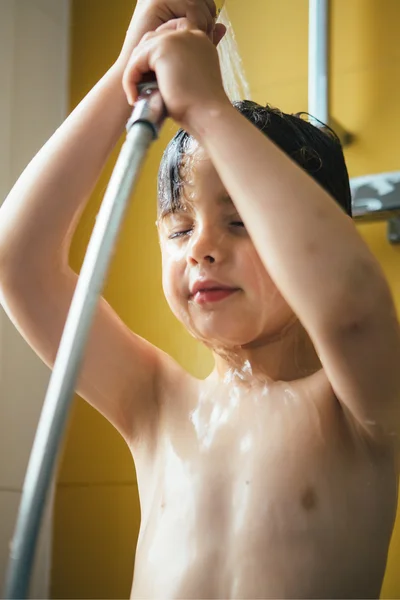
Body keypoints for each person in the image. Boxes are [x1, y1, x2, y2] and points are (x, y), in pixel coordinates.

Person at [0, 1, 399, 597]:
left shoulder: (358, 410)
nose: (201, 249)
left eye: (239, 221)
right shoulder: (156, 404)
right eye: (180, 229)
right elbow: (19, 261)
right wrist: (124, 75)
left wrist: (210, 111)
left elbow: (352, 310)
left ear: (312, 235)